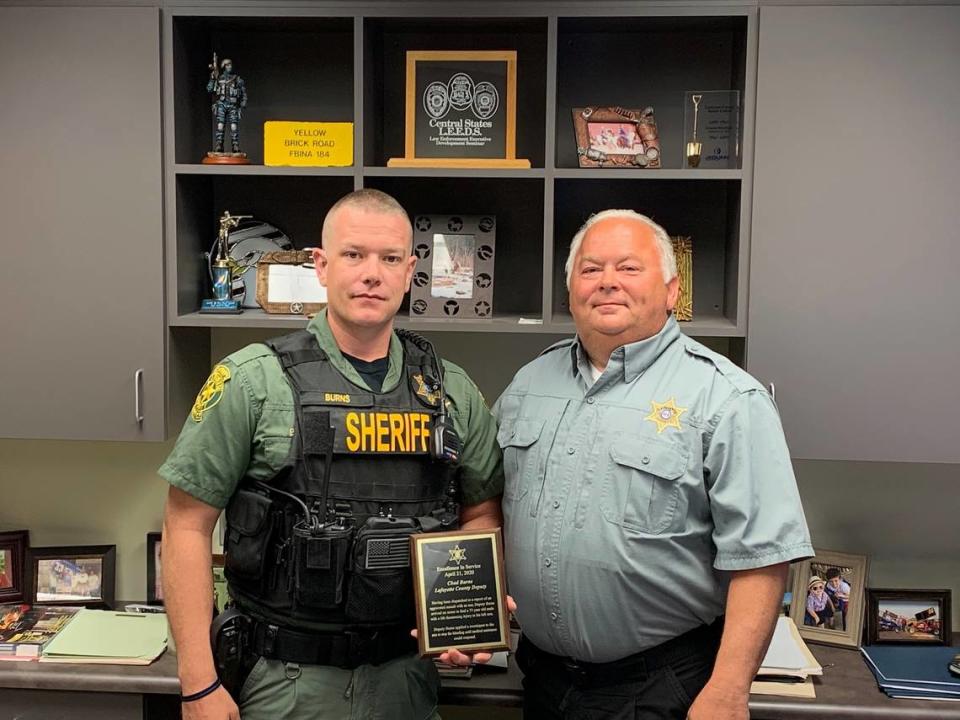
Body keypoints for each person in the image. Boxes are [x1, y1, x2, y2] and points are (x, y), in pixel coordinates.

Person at [159, 189, 504, 720]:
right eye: (353, 255)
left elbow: (480, 513)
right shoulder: (252, 380)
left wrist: (460, 619)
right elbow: (186, 525)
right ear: (320, 266)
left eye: (390, 259)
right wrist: (198, 682)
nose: (372, 273)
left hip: (405, 680)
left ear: (410, 270)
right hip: (284, 682)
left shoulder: (450, 391)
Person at [494, 209, 813, 720]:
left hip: (663, 687)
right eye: (591, 269)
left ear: (670, 289)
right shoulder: (527, 386)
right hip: (544, 679)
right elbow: (490, 509)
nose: (607, 283)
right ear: (571, 287)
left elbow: (762, 559)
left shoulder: (727, 399)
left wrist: (729, 689)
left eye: (629, 268)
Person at [207, 57, 247, 155]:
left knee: (234, 126)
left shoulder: (236, 79)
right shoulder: (219, 78)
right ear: (224, 66)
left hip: (233, 105)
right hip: (221, 104)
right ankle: (219, 144)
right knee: (220, 125)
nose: (230, 66)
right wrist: (212, 79)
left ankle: (235, 145)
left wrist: (243, 102)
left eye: (230, 64)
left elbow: (243, 91)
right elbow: (210, 89)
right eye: (228, 65)